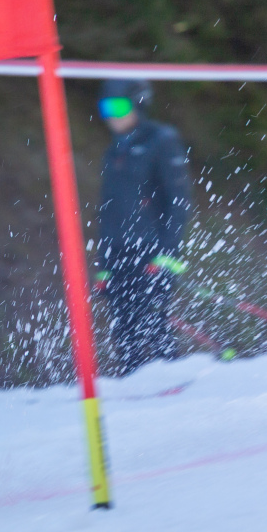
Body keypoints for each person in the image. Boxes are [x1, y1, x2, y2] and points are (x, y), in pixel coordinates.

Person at [95, 79, 192, 373]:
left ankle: (171, 382)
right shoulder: (115, 149)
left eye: (118, 107)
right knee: (124, 330)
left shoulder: (160, 140)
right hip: (118, 252)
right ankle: (132, 384)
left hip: (151, 251)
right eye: (105, 109)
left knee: (153, 324)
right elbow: (108, 210)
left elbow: (178, 200)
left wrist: (167, 252)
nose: (112, 116)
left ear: (138, 104)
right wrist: (104, 264)